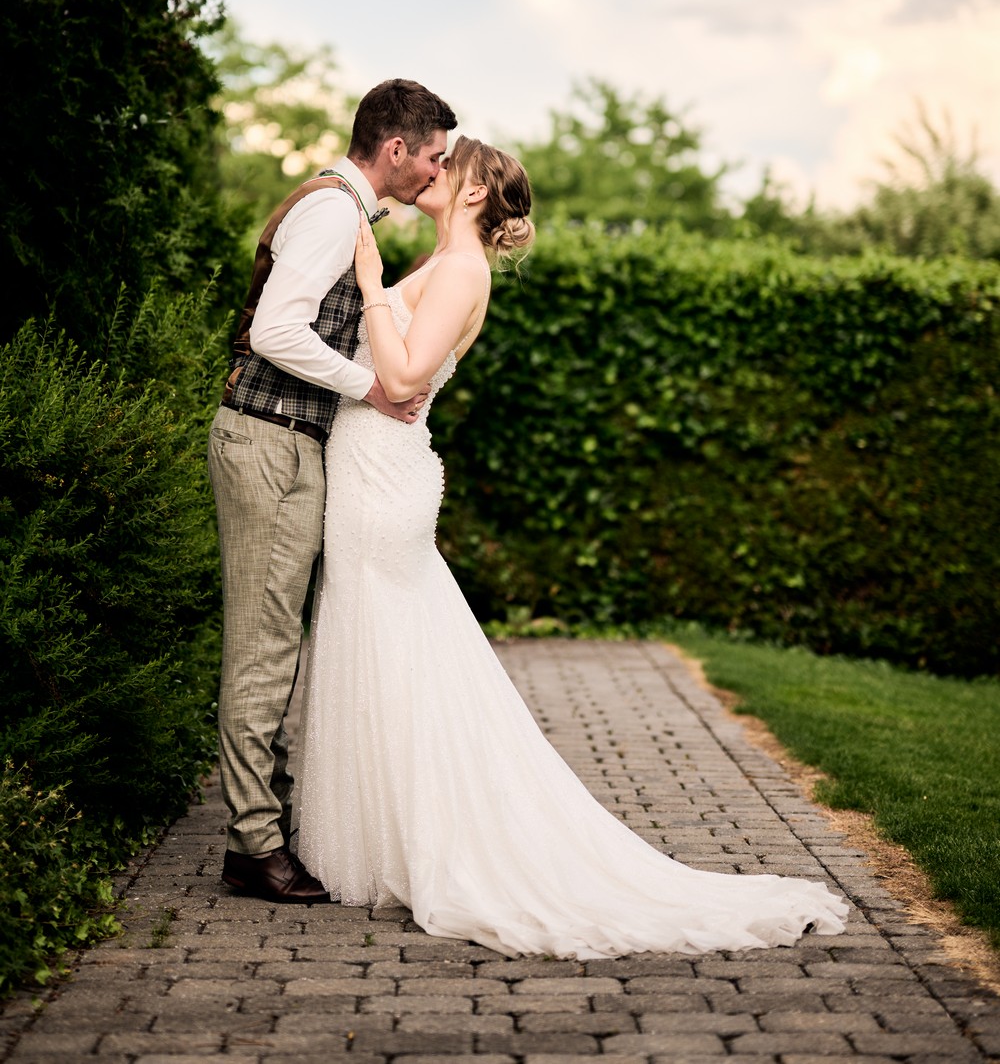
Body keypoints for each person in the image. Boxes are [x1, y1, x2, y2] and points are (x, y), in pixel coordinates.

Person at [297, 138, 849, 957]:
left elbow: (406, 378)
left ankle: (429, 841)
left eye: (450, 166)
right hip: (372, 469)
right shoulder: (446, 261)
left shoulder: (461, 272)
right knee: (386, 650)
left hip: (383, 483)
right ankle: (388, 839)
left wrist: (374, 284)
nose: (433, 172)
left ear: (478, 193)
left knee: (392, 649)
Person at [208, 78, 457, 904]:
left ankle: (265, 825)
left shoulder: (345, 210)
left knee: (274, 638)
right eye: (430, 156)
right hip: (270, 443)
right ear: (395, 150)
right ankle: (253, 845)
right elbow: (276, 329)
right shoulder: (332, 212)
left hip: (285, 444)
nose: (433, 171)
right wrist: (368, 389)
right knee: (264, 645)